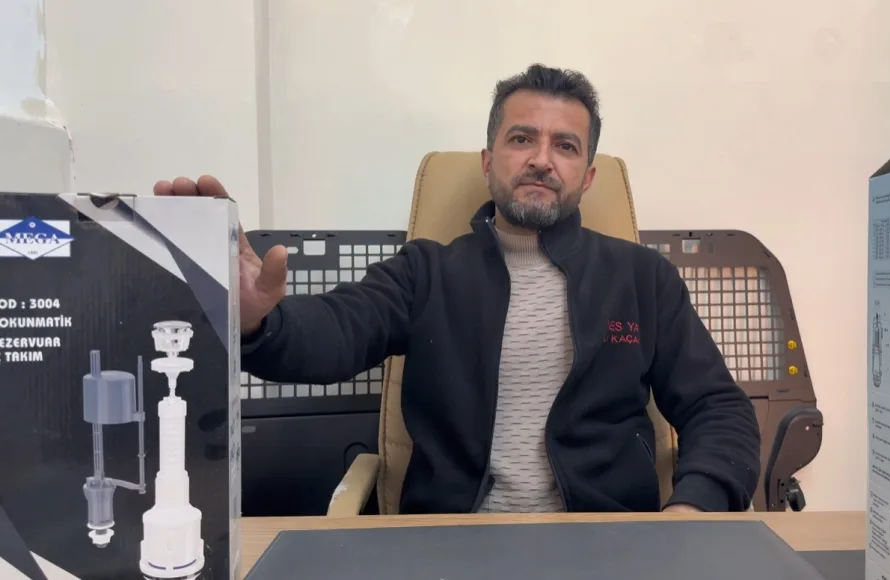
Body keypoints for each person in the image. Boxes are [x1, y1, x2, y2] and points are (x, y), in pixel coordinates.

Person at [154, 63, 761, 515]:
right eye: (521, 138)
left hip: (605, 542)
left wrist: (693, 509)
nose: (542, 159)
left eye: (565, 146)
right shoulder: (426, 272)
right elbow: (334, 332)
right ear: (488, 161)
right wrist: (259, 320)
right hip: (451, 542)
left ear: (588, 175)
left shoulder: (643, 278)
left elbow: (718, 408)